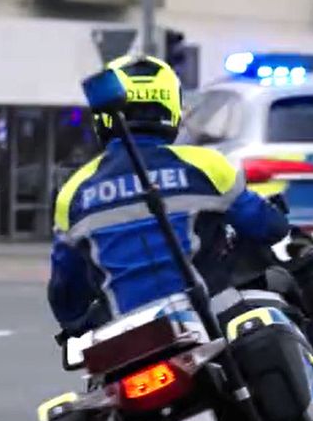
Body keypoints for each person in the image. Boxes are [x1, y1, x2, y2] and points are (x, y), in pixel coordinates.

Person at [49, 55, 291, 334]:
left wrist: (76, 322)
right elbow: (268, 227)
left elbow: (65, 292)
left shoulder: (74, 191)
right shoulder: (207, 165)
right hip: (205, 319)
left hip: (125, 334)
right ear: (172, 106)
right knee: (273, 325)